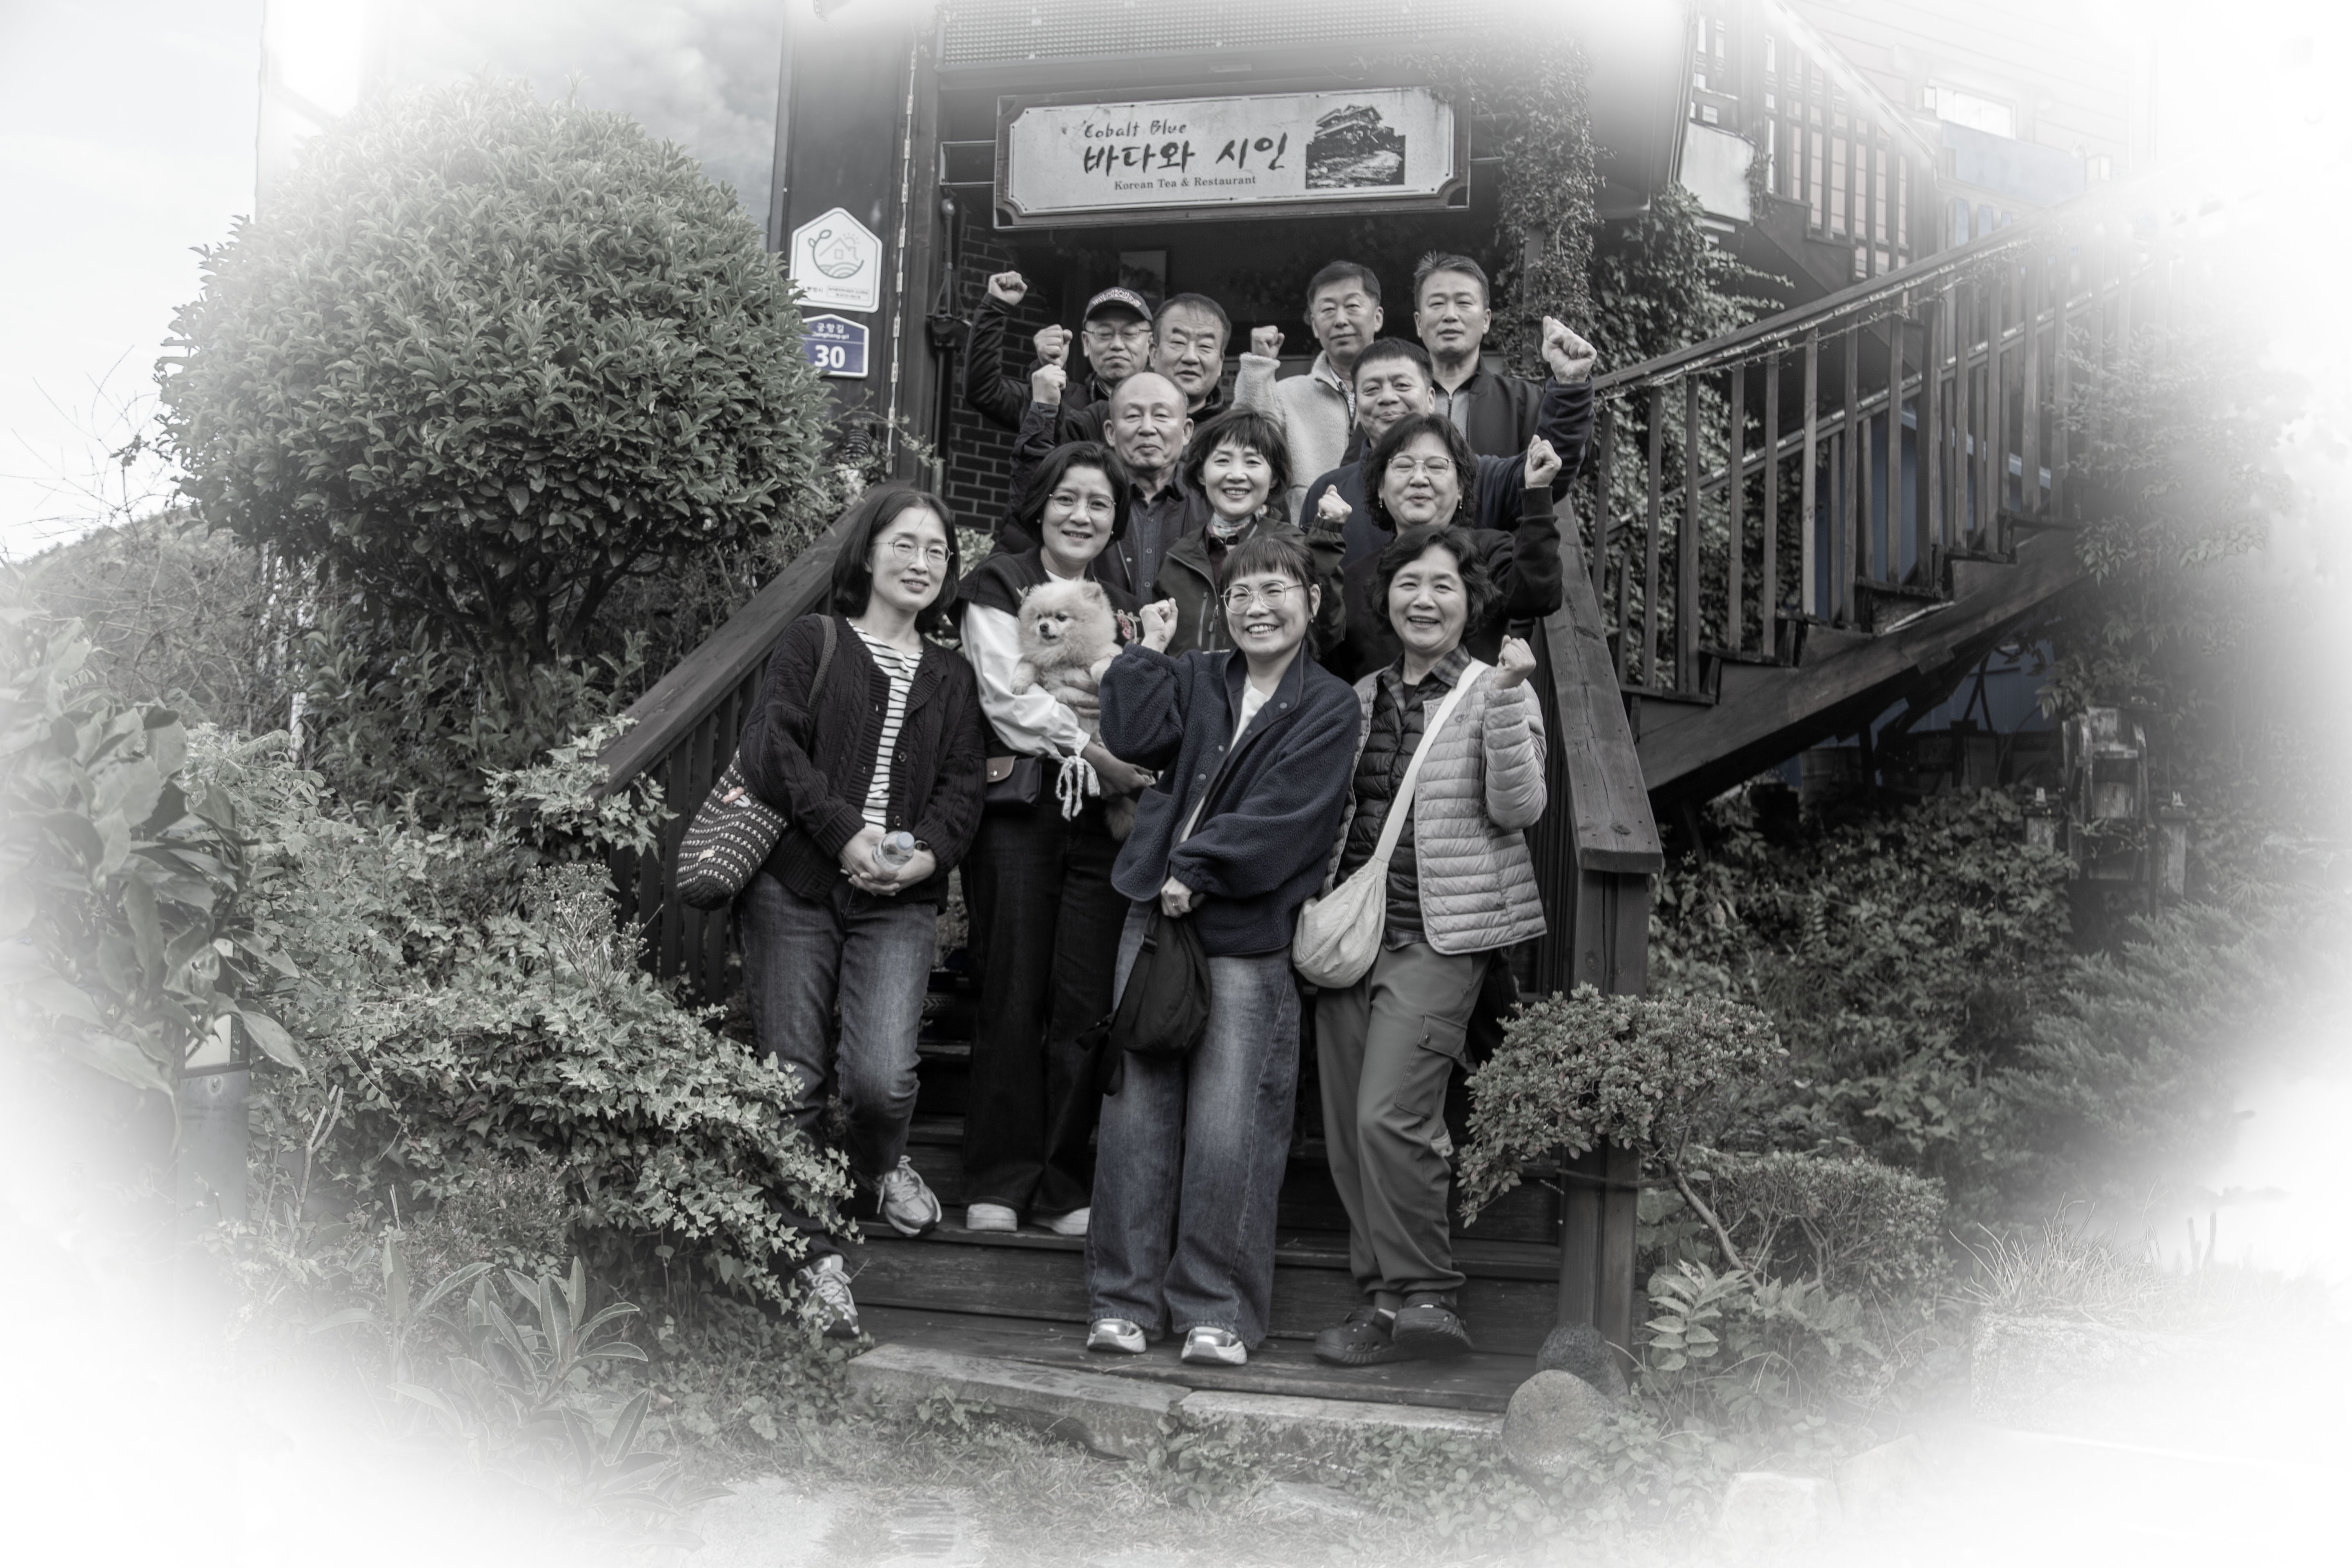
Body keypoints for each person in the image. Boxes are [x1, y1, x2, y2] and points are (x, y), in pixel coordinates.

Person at [1086, 535, 1359, 1367]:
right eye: (1241, 593)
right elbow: (1134, 738)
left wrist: (1197, 868)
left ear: (1312, 602)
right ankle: (1123, 1300)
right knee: (1135, 1114)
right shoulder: (1198, 675)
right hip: (1155, 922)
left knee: (1231, 1125)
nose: (1257, 607)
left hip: (1246, 933)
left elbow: (1291, 815)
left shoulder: (1329, 704)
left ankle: (1218, 1309)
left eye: (1277, 590)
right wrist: (1146, 653)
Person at [735, 486, 987, 1340]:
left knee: (881, 1084)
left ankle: (875, 1168)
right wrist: (845, 835)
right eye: (905, 544)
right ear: (869, 554)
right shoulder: (815, 641)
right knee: (794, 1082)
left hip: (899, 901)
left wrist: (926, 857)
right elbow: (771, 748)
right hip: (797, 888)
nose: (922, 563)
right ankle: (818, 1264)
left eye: (938, 551)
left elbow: (963, 787)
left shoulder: (953, 676)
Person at [1310, 529, 1550, 1366]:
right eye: (1408, 583)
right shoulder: (1359, 695)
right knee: (1349, 1128)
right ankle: (1382, 1304)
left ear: (1470, 601)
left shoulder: (1499, 688)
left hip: (1439, 935)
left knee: (1391, 1116)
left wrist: (1511, 701)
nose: (1424, 599)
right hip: (1351, 934)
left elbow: (1519, 808)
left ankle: (1429, 1295)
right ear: (1386, 599)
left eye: (1443, 585)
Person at [1299, 322, 1596, 594]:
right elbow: (1311, 587)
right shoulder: (1328, 492)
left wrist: (1569, 386)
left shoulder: (1478, 476)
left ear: (1431, 399)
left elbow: (1548, 462)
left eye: (1402, 385)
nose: (1387, 398)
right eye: (1372, 389)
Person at [1327, 417, 1567, 681]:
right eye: (1404, 465)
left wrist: (1537, 492)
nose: (1419, 479)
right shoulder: (1354, 580)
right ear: (1381, 488)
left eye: (1436, 466)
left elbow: (1537, 594)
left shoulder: (1488, 552)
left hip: (1481, 705)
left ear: (1461, 487)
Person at [1148, 407, 1345, 659]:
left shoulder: (1296, 547)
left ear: (1274, 478)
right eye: (1222, 461)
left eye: (1252, 462)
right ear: (1201, 474)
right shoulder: (1178, 559)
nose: (1237, 475)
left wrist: (1326, 542)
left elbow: (1327, 636)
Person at [1011, 370, 1197, 603]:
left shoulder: (1211, 500)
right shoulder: (1086, 498)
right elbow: (1031, 497)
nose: (1147, 428)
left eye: (1161, 415)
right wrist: (1044, 409)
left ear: (1186, 431)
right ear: (1110, 432)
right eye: (1133, 416)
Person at [1233, 260, 1385, 521]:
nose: (1341, 320)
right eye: (1328, 310)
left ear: (1378, 317)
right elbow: (1247, 440)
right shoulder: (1286, 394)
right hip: (1307, 536)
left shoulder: (1403, 393)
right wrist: (1259, 365)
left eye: (1352, 306)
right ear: (1315, 326)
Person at [964, 273, 1153, 445]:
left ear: (1151, 345)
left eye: (1130, 333)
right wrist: (995, 309)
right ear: (1086, 343)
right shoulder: (1057, 401)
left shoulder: (1167, 407)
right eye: (1104, 334)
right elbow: (984, 390)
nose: (1117, 344)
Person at [1412, 254, 1543, 459]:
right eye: (1437, 304)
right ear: (1419, 323)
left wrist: (1571, 384)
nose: (1450, 315)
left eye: (1464, 302)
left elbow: (1559, 464)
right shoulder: (1397, 400)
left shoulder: (1525, 402)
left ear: (1486, 320)